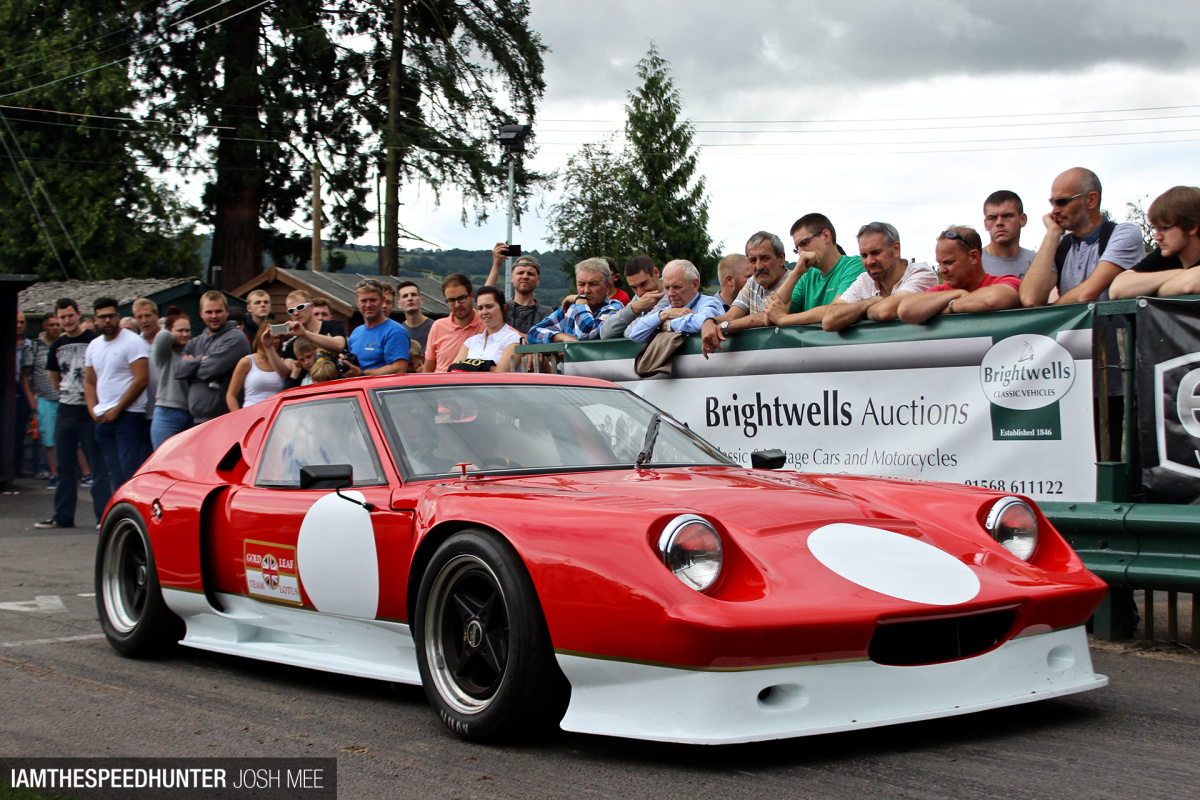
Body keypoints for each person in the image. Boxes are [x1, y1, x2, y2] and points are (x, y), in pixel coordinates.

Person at [1020, 167, 1145, 307]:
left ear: (1091, 200)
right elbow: (1030, 299)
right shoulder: (1060, 245)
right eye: (1052, 202)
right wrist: (1051, 234)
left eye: (1062, 201)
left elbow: (1087, 294)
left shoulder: (1124, 233)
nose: (1054, 210)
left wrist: (1051, 313)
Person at [37, 298, 111, 530]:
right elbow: (55, 378)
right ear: (57, 318)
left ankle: (102, 517)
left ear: (78, 314)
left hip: (89, 410)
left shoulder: (94, 340)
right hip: (65, 409)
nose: (67, 320)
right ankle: (63, 516)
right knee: (64, 466)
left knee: (97, 466)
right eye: (62, 317)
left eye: (70, 315)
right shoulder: (57, 345)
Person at [84, 297, 151, 490]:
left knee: (129, 469)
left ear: (118, 317)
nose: (107, 321)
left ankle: (129, 507)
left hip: (129, 416)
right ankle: (114, 508)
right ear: (95, 319)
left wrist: (117, 409)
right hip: (103, 416)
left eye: (111, 316)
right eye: (102, 317)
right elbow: (89, 381)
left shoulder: (133, 342)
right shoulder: (94, 345)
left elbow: (141, 380)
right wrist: (92, 410)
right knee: (112, 470)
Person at [822, 222, 938, 331]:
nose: (870, 261)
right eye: (864, 255)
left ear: (896, 249)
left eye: (876, 253)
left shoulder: (922, 274)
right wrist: (869, 302)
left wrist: (857, 312)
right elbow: (829, 320)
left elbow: (885, 311)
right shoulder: (864, 280)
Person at [898, 227, 1021, 323]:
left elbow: (993, 299)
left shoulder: (1007, 282)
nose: (942, 270)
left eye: (949, 262)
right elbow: (906, 309)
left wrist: (949, 307)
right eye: (939, 263)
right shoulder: (942, 291)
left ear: (973, 257)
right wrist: (958, 294)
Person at [700, 231, 790, 357]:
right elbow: (731, 316)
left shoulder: (795, 281)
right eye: (753, 260)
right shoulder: (752, 282)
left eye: (765, 258)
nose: (759, 266)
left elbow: (769, 317)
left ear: (781, 259)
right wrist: (708, 322)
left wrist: (724, 327)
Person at [766, 214, 864, 327]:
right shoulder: (805, 276)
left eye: (804, 243)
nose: (801, 253)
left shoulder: (855, 265)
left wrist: (784, 319)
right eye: (797, 249)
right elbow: (769, 318)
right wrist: (796, 273)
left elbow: (838, 311)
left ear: (826, 236)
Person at [175, 291, 252, 425]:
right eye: (209, 312)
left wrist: (191, 365)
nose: (214, 316)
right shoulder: (196, 341)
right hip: (197, 421)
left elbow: (209, 370)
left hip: (225, 419)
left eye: (218, 311)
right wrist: (201, 359)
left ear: (227, 311)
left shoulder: (236, 338)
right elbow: (178, 371)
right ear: (201, 313)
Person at [1111, 186, 1200, 299]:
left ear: (1191, 227)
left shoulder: (1170, 250)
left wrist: (1150, 291)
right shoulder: (1164, 255)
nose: (1157, 237)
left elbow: (1190, 285)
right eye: (1156, 229)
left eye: (1164, 228)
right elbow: (1117, 289)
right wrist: (1182, 275)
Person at [527, 259, 624, 344]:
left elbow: (586, 334)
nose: (586, 290)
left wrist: (580, 302)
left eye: (593, 284)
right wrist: (560, 337)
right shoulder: (570, 308)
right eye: (581, 284)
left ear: (607, 287)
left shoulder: (614, 308)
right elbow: (533, 333)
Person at [626, 260, 725, 342]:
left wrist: (667, 325)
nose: (670, 293)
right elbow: (634, 334)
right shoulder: (668, 311)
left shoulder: (710, 303)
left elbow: (703, 321)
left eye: (677, 287)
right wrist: (663, 315)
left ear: (695, 285)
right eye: (666, 288)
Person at [21, 312, 61, 487]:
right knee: (48, 437)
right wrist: (31, 399)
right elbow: (25, 376)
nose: (55, 328)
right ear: (44, 326)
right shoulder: (34, 347)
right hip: (44, 397)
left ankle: (77, 473)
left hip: (66, 397)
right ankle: (54, 474)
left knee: (73, 439)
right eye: (51, 325)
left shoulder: (64, 343)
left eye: (57, 324)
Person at [342, 279, 409, 377]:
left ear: (382, 300)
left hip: (383, 387)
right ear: (357, 302)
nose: (368, 305)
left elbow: (399, 369)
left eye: (373, 300)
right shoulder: (356, 332)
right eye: (364, 301)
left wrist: (360, 373)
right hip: (357, 386)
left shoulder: (395, 331)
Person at [150, 308, 194, 449]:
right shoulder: (164, 354)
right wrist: (170, 325)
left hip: (191, 414)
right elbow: (162, 336)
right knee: (164, 456)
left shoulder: (193, 352)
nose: (185, 334)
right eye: (180, 330)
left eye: (187, 330)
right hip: (167, 413)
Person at [452, 287, 523, 371]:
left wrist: (468, 366)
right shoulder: (470, 342)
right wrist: (487, 367)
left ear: (503, 308)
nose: (484, 312)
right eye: (480, 308)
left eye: (489, 307)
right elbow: (453, 371)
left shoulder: (514, 340)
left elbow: (500, 375)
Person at [486, 245, 553, 334]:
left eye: (530, 274)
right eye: (520, 273)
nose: (525, 276)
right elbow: (486, 298)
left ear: (538, 280)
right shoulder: (502, 309)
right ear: (512, 277)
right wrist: (496, 265)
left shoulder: (546, 314)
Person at [424, 274, 485, 371]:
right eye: (451, 300)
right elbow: (428, 370)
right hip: (441, 380)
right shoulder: (438, 326)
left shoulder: (486, 326)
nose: (457, 305)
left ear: (471, 296)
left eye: (461, 298)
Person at [280, 288, 347, 368]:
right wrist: (269, 347)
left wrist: (305, 334)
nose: (296, 313)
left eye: (300, 307)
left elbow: (339, 345)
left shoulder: (332, 325)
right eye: (291, 311)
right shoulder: (294, 342)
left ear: (311, 307)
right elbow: (285, 372)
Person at [227, 324, 288, 410]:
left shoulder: (284, 362)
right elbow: (231, 395)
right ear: (261, 337)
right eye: (269, 336)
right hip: (251, 413)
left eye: (277, 337)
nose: (273, 340)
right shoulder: (247, 361)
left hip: (276, 413)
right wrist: (238, 416)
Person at [600, 255, 663, 339]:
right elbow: (605, 333)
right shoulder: (638, 299)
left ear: (656, 273)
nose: (639, 293)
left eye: (643, 284)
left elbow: (631, 333)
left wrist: (627, 319)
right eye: (634, 287)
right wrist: (633, 309)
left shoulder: (671, 296)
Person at [982, 191, 1036, 279]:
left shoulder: (1037, 262)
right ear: (985, 224)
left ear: (1022, 219)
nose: (999, 223)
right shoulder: (973, 263)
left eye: (1007, 216)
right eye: (992, 218)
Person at [132, 298, 161, 429]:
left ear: (156, 315)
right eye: (139, 317)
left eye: (147, 315)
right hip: (145, 411)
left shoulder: (171, 337)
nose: (144, 320)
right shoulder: (135, 344)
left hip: (170, 409)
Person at [12, 311, 32, 477]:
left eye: (22, 322)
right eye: (16, 322)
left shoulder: (29, 344)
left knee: (20, 430)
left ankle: (17, 466)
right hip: (8, 388)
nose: (19, 325)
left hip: (23, 388)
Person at [396, 281, 434, 349]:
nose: (410, 298)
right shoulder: (398, 331)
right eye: (405, 296)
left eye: (413, 295)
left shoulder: (434, 328)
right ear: (399, 304)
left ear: (421, 300)